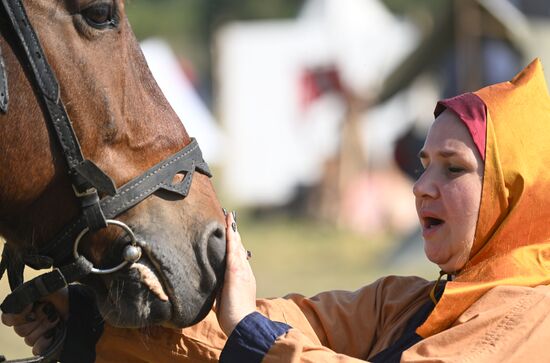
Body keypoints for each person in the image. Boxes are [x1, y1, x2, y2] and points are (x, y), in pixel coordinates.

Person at [3, 59, 550, 362]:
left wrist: (252, 335)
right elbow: (288, 325)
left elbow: (256, 335)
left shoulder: (535, 321)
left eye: (452, 169)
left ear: (514, 189)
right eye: (423, 164)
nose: (423, 187)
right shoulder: (408, 304)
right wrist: (88, 322)